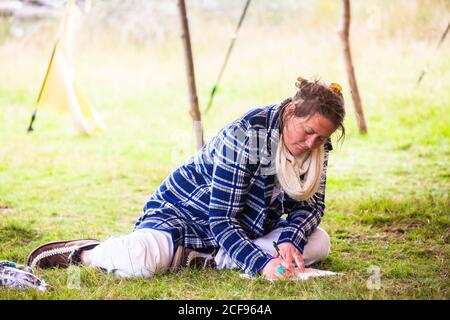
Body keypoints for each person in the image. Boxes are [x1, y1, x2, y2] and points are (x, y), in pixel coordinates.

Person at [27, 77, 345, 280]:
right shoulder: (247, 135)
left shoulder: (316, 148)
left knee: (319, 241)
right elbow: (220, 218)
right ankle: (86, 252)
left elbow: (312, 208)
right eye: (308, 133)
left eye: (321, 138)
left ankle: (211, 258)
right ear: (290, 113)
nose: (312, 144)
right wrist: (261, 264)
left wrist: (290, 238)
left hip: (246, 227)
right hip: (187, 216)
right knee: (139, 262)